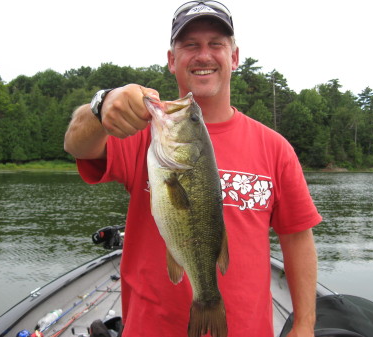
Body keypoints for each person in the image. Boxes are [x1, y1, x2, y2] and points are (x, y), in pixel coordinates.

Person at [64, 1, 321, 336]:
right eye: (190, 45)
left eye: (216, 44)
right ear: (172, 60)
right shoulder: (145, 132)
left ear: (234, 57)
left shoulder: (275, 148)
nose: (204, 55)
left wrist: (304, 323)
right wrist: (101, 105)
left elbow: (298, 237)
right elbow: (75, 144)